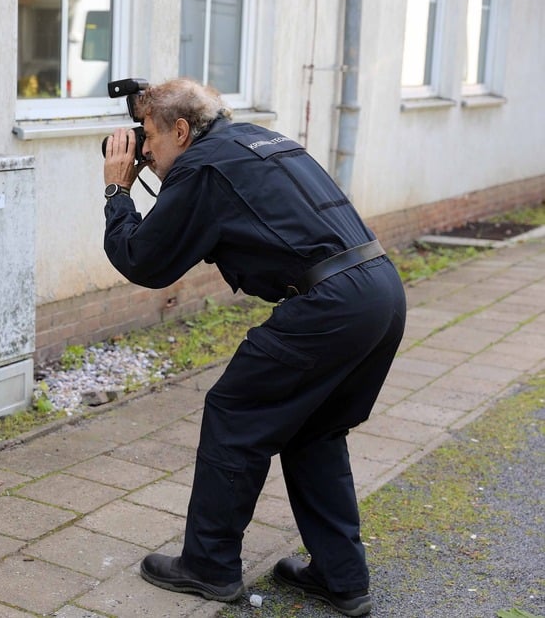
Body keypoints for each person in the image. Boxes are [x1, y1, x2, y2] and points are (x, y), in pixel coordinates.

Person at [101, 78, 406, 617]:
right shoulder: (258, 141)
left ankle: (209, 566)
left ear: (180, 129)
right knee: (315, 430)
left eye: (148, 137)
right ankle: (342, 578)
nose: (143, 151)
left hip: (331, 304)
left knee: (235, 412)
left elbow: (142, 260)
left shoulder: (202, 167)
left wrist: (117, 192)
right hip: (379, 290)